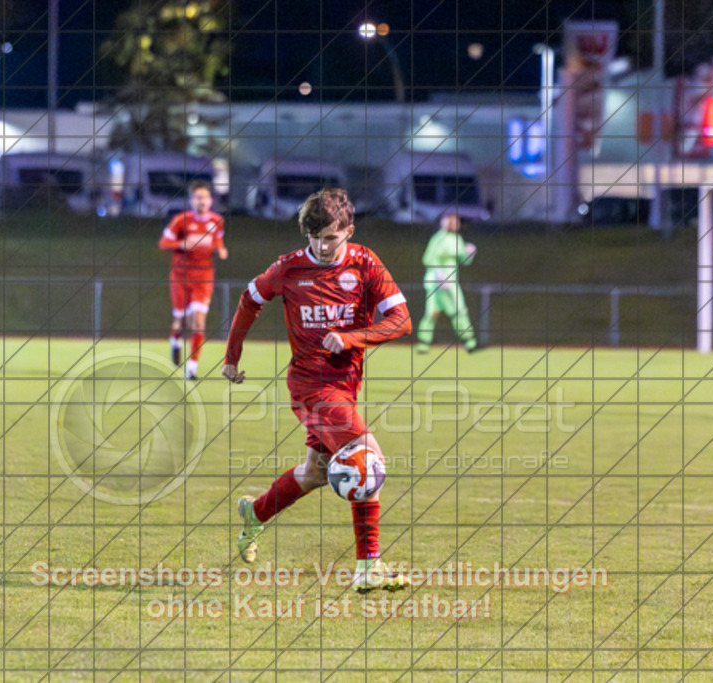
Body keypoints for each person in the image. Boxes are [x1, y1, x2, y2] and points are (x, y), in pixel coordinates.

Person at [223, 188, 412, 593]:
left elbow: (401, 321)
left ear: (349, 231)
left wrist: (352, 338)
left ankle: (253, 515)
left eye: (330, 238)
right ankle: (369, 568)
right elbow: (249, 300)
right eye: (314, 238)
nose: (322, 247)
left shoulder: (365, 263)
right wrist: (231, 358)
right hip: (311, 388)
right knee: (366, 461)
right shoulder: (289, 268)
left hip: (345, 386)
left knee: (315, 473)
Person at [158, 180, 228, 379]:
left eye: (205, 197)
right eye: (198, 197)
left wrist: (220, 248)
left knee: (198, 323)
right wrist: (181, 243)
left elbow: (217, 239)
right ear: (191, 200)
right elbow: (164, 242)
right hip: (180, 276)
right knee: (181, 320)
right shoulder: (181, 220)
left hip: (204, 277)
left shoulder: (217, 221)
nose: (202, 201)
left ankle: (192, 369)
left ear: (211, 200)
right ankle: (174, 340)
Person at [415, 211, 478, 353]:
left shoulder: (457, 239)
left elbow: (464, 260)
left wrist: (469, 253)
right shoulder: (439, 239)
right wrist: (439, 276)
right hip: (436, 283)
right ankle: (423, 343)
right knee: (432, 313)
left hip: (451, 283)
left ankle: (470, 341)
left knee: (459, 311)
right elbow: (429, 259)